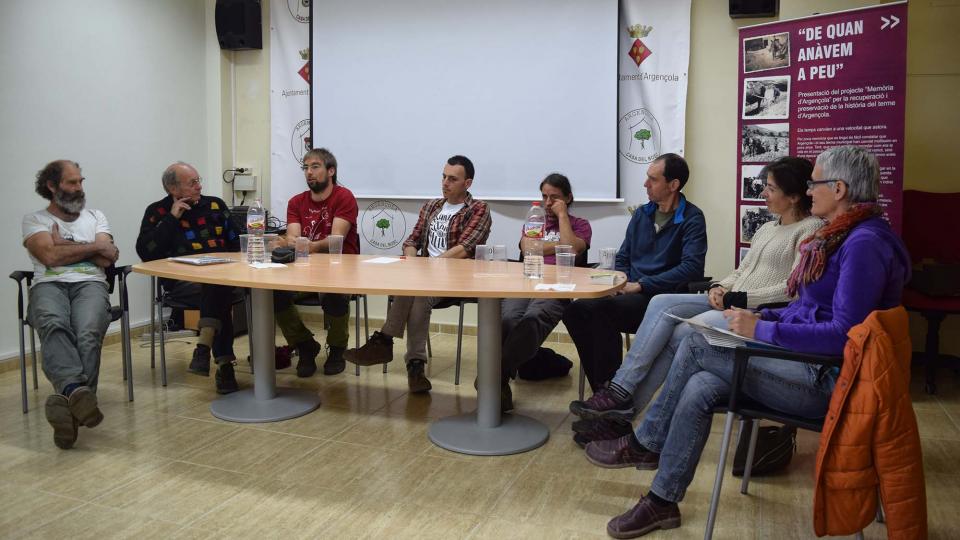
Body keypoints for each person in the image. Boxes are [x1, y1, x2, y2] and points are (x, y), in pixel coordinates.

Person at [585, 146, 911, 538]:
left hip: (831, 382)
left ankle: (646, 441)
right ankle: (662, 501)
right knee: (701, 383)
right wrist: (763, 318)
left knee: (695, 344)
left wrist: (762, 330)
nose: (809, 191)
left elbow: (843, 337)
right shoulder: (839, 236)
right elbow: (808, 309)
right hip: (805, 363)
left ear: (839, 188)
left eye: (815, 183)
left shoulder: (863, 244)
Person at [569, 157, 823, 445]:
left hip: (756, 312)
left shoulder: (810, 230)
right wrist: (719, 286)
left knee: (681, 332)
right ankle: (620, 391)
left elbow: (793, 289)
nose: (763, 192)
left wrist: (735, 296)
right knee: (661, 302)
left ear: (793, 196)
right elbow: (742, 271)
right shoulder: (767, 228)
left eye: (771, 188)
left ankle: (620, 411)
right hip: (731, 299)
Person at [344, 155, 492, 393]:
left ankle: (386, 342)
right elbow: (411, 241)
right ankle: (414, 368)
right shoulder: (431, 205)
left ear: (468, 183)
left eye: (452, 179)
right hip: (424, 278)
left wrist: (427, 269)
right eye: (443, 177)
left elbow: (465, 249)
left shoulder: (478, 209)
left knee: (417, 290)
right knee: (416, 292)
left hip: (456, 278)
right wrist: (413, 265)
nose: (445, 182)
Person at [562, 153, 707, 392]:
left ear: (673, 185)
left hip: (659, 299)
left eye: (653, 179)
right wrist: (618, 283)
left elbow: (691, 268)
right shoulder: (642, 214)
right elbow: (624, 256)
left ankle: (613, 390)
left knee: (600, 313)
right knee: (575, 311)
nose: (645, 184)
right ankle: (604, 386)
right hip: (629, 292)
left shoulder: (692, 218)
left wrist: (641, 285)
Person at [22, 160, 119, 449]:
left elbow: (108, 257)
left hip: (90, 283)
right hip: (48, 284)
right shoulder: (34, 220)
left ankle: (68, 405)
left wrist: (63, 243)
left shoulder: (96, 216)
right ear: (52, 186)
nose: (79, 188)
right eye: (71, 183)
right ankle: (76, 393)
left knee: (88, 331)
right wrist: (92, 247)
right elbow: (49, 258)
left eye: (80, 181)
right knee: (53, 323)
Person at [136, 162, 245, 394]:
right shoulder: (157, 212)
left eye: (199, 181)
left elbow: (237, 243)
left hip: (223, 278)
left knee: (216, 286)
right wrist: (172, 219)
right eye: (192, 183)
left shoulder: (215, 205)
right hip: (182, 285)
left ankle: (205, 349)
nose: (199, 186)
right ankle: (224, 365)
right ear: (173, 189)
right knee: (217, 290)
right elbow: (146, 252)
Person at [499, 173, 592, 411]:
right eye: (544, 197)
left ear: (568, 198)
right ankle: (501, 381)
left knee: (532, 319)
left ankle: (495, 377)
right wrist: (554, 246)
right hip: (527, 282)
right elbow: (528, 248)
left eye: (555, 198)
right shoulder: (534, 220)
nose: (548, 203)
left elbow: (571, 249)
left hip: (558, 286)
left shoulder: (580, 225)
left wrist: (562, 216)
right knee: (508, 318)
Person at [275, 147, 359, 376]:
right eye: (305, 168)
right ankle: (304, 345)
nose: (309, 172)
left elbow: (337, 240)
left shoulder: (344, 197)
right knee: (272, 293)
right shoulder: (296, 202)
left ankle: (337, 348)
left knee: (333, 294)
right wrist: (293, 243)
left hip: (338, 269)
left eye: (315, 167)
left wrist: (307, 245)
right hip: (303, 271)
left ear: (330, 171)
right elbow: (293, 237)